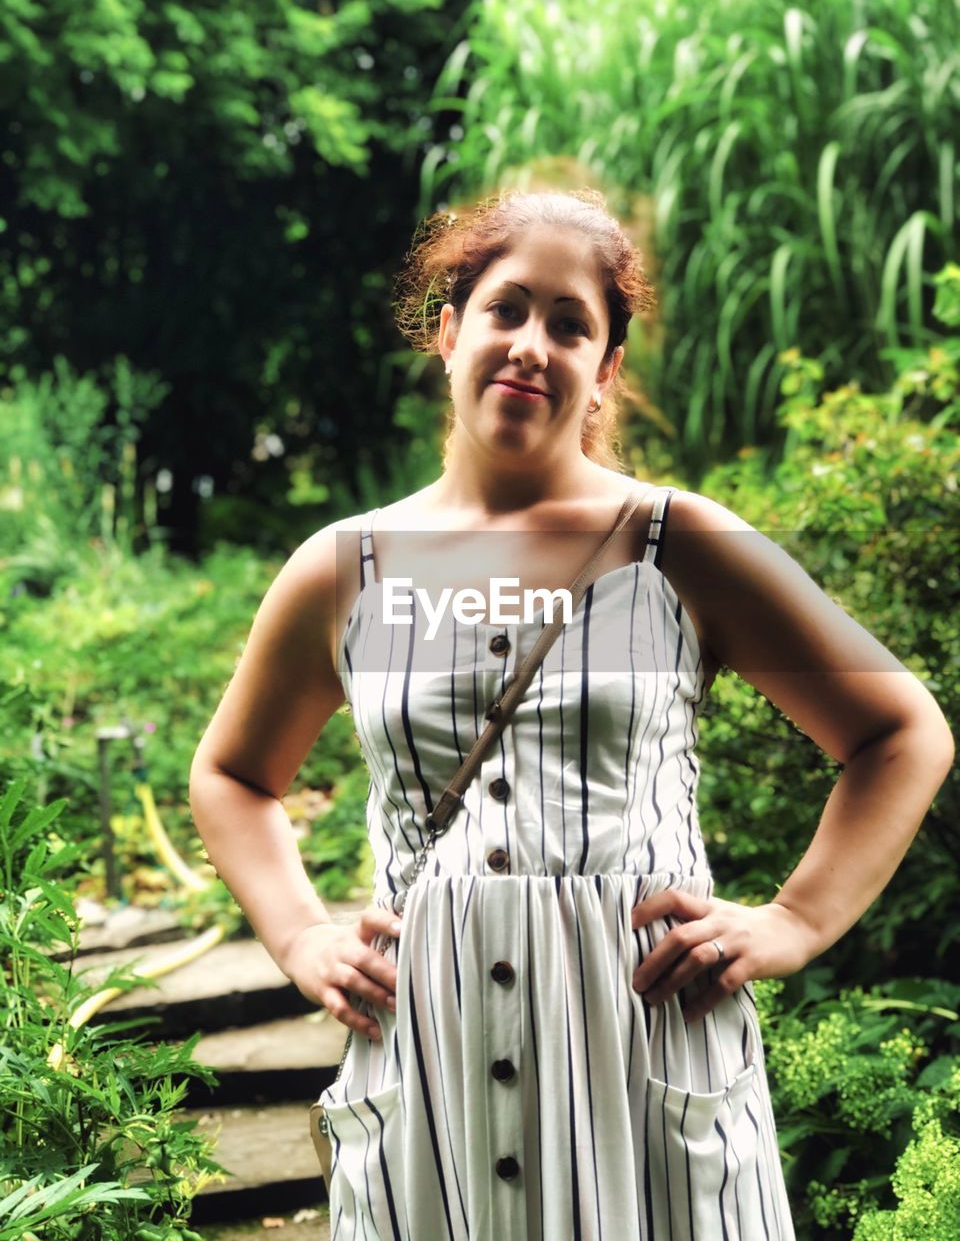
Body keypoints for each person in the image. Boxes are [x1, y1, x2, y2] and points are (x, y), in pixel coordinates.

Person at [189, 189, 954, 1240]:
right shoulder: (347, 567)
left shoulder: (678, 546)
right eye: (507, 308)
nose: (531, 345)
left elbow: (902, 730)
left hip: (640, 1037)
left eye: (570, 322)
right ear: (450, 327)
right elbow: (232, 774)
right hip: (430, 1052)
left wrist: (796, 919)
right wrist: (300, 935)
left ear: (607, 366)